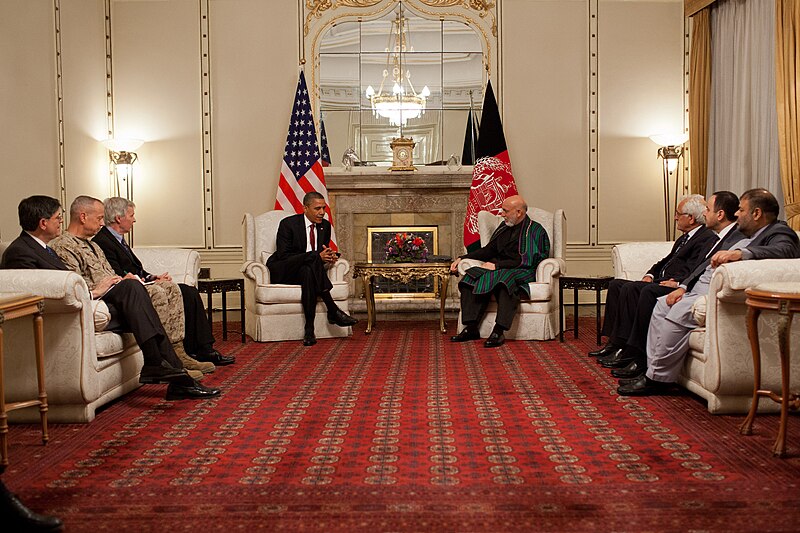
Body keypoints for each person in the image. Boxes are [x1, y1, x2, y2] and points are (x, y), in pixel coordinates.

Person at [30, 195, 219, 401]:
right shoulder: (63, 246)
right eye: (100, 218)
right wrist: (105, 286)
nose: (103, 223)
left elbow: (110, 273)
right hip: (102, 300)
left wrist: (123, 278)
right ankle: (166, 366)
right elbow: (74, 285)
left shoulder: (92, 245)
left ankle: (168, 365)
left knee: (152, 286)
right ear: (83, 217)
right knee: (134, 287)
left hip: (118, 293)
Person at [619, 188, 800, 396]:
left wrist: (741, 253)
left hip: (717, 293)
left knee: (677, 311)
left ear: (757, 214)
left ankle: (656, 379)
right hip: (700, 287)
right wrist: (684, 286)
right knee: (661, 305)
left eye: (741, 210)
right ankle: (652, 369)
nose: (737, 214)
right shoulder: (742, 234)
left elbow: (785, 251)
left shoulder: (780, 231)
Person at [93, 197, 234, 366]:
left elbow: (137, 270)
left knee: (188, 291)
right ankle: (189, 351)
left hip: (140, 283)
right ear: (118, 218)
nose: (134, 219)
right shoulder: (102, 241)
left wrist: (154, 277)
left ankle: (202, 348)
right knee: (182, 293)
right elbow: (117, 274)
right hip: (129, 291)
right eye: (131, 215)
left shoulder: (118, 239)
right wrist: (145, 280)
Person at [592, 194, 724, 373]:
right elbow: (664, 261)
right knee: (617, 285)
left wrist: (678, 283)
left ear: (691, 218)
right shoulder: (684, 237)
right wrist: (649, 274)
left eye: (678, 214)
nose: (676, 217)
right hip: (660, 280)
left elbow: (693, 269)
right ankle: (615, 342)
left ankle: (630, 351)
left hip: (673, 284)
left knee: (633, 289)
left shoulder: (706, 238)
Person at [449, 195, 550, 348]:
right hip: (498, 268)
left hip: (524, 270)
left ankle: (499, 331)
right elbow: (489, 250)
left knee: (504, 280)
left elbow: (527, 260)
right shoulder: (504, 227)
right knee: (469, 277)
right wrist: (462, 257)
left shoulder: (535, 230)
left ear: (519, 213)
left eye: (505, 211)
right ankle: (471, 328)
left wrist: (497, 266)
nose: (501, 214)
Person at [266, 191, 358, 346]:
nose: (322, 213)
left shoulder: (325, 226)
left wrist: (328, 257)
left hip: (306, 272)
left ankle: (309, 329)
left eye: (323, 208)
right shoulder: (288, 224)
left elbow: (319, 256)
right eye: (317, 209)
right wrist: (316, 256)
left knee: (308, 271)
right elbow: (284, 256)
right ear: (305, 208)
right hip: (284, 270)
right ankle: (332, 310)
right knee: (312, 260)